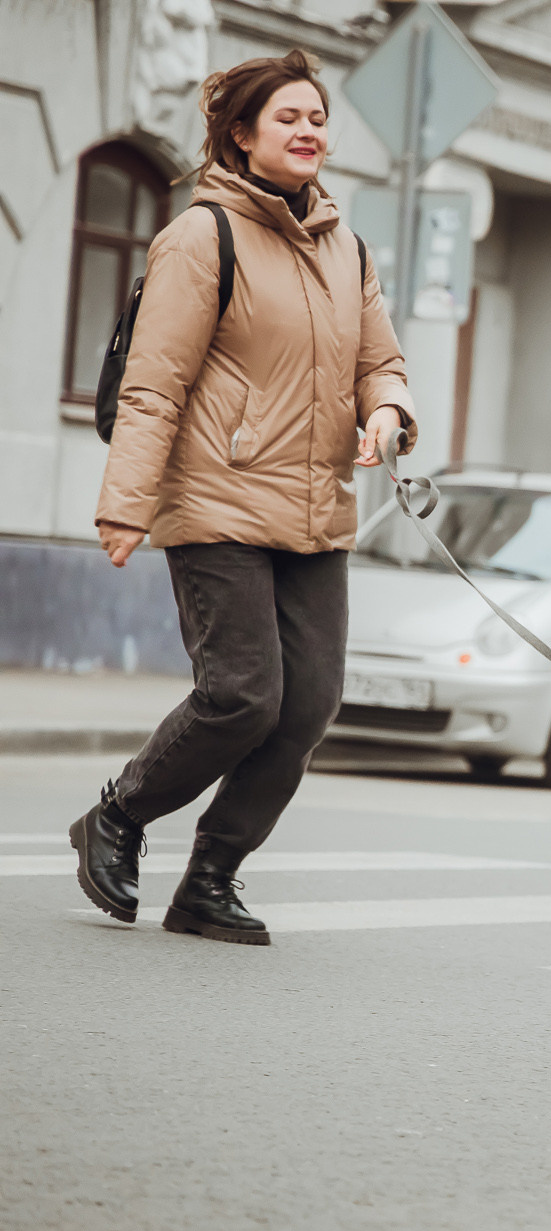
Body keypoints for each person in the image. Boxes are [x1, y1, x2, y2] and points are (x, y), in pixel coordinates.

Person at [71, 49, 417, 945]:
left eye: (318, 118)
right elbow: (154, 382)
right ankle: (116, 814)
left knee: (305, 709)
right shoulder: (201, 237)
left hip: (315, 510)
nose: (310, 132)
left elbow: (379, 362)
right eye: (289, 119)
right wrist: (127, 503)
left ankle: (210, 879)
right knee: (243, 695)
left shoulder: (348, 247)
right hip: (218, 499)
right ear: (241, 134)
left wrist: (385, 414)